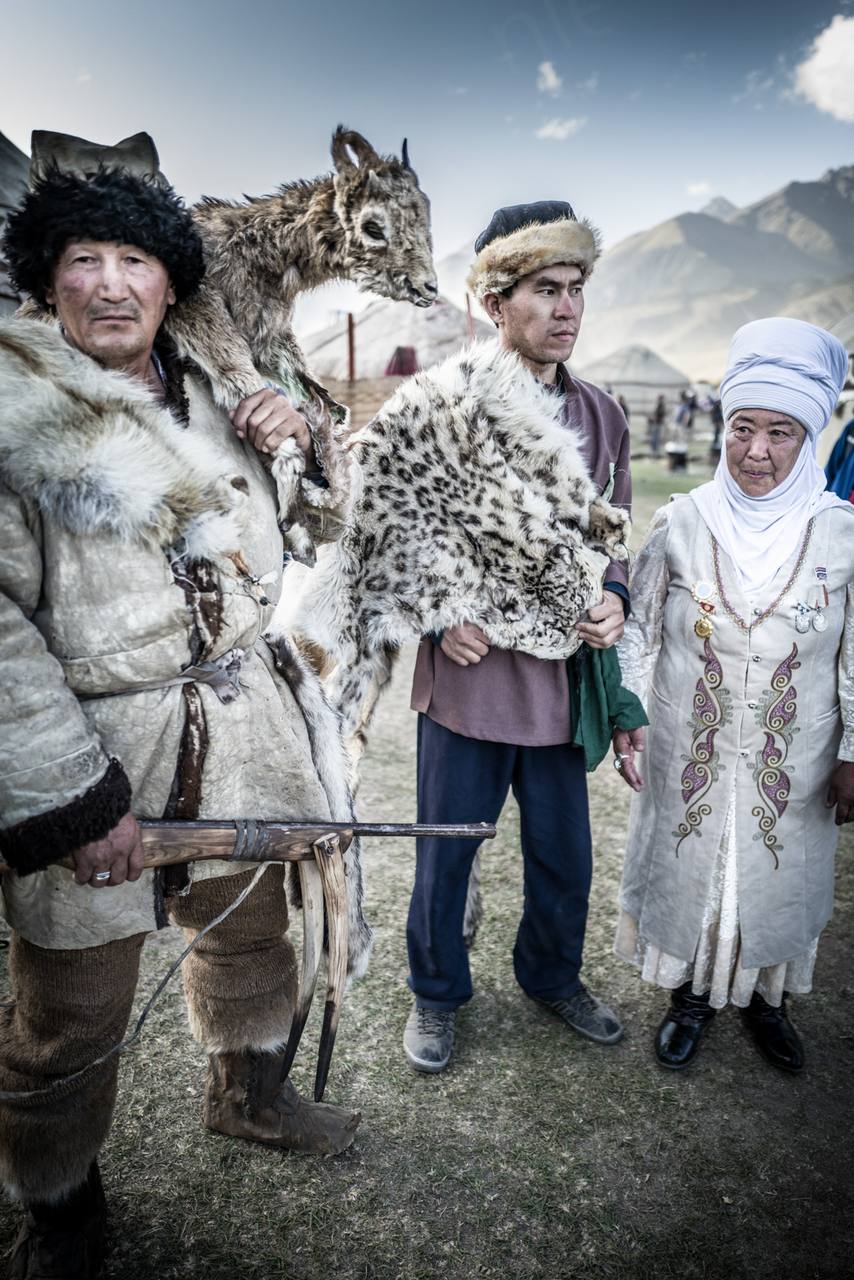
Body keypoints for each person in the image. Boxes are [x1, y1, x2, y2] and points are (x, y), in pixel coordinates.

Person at [0, 135, 370, 1278]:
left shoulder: (225, 389)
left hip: (247, 716)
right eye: (83, 258)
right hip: (98, 743)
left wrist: (303, 443)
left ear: (172, 278)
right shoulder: (12, 413)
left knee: (255, 933)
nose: (111, 283)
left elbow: (318, 529)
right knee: (71, 1006)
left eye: (135, 259)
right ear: (45, 277)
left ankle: (247, 1096)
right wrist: (74, 796)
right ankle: (59, 1200)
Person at [404, 201, 634, 1073]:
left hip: (559, 682)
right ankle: (435, 995)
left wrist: (612, 597)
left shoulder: (604, 414)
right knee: (446, 857)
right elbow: (392, 532)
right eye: (546, 289)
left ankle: (549, 976)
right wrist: (438, 611)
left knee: (564, 857)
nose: (567, 308)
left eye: (576, 289)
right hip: (468, 682)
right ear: (497, 301)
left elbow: (614, 538)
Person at [612, 317, 854, 1073]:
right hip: (692, 741)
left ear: (809, 438)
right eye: (742, 428)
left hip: (798, 750)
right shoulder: (682, 520)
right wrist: (629, 715)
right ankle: (689, 995)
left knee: (775, 871)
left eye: (780, 433)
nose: (755, 451)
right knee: (696, 866)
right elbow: (637, 630)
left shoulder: (841, 532)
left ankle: (762, 999)